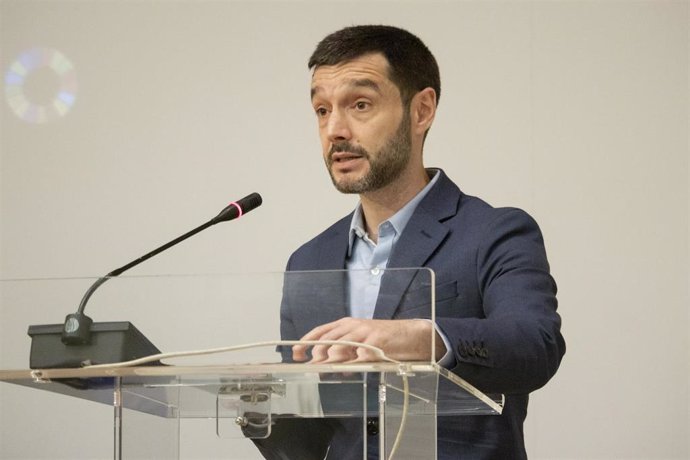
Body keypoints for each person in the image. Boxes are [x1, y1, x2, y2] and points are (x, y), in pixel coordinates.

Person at [255, 25, 565, 459]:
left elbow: (535, 346)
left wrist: (423, 338)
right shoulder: (309, 260)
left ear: (421, 111)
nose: (334, 130)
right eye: (322, 110)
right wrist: (256, 406)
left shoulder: (494, 232)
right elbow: (311, 441)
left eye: (359, 105)